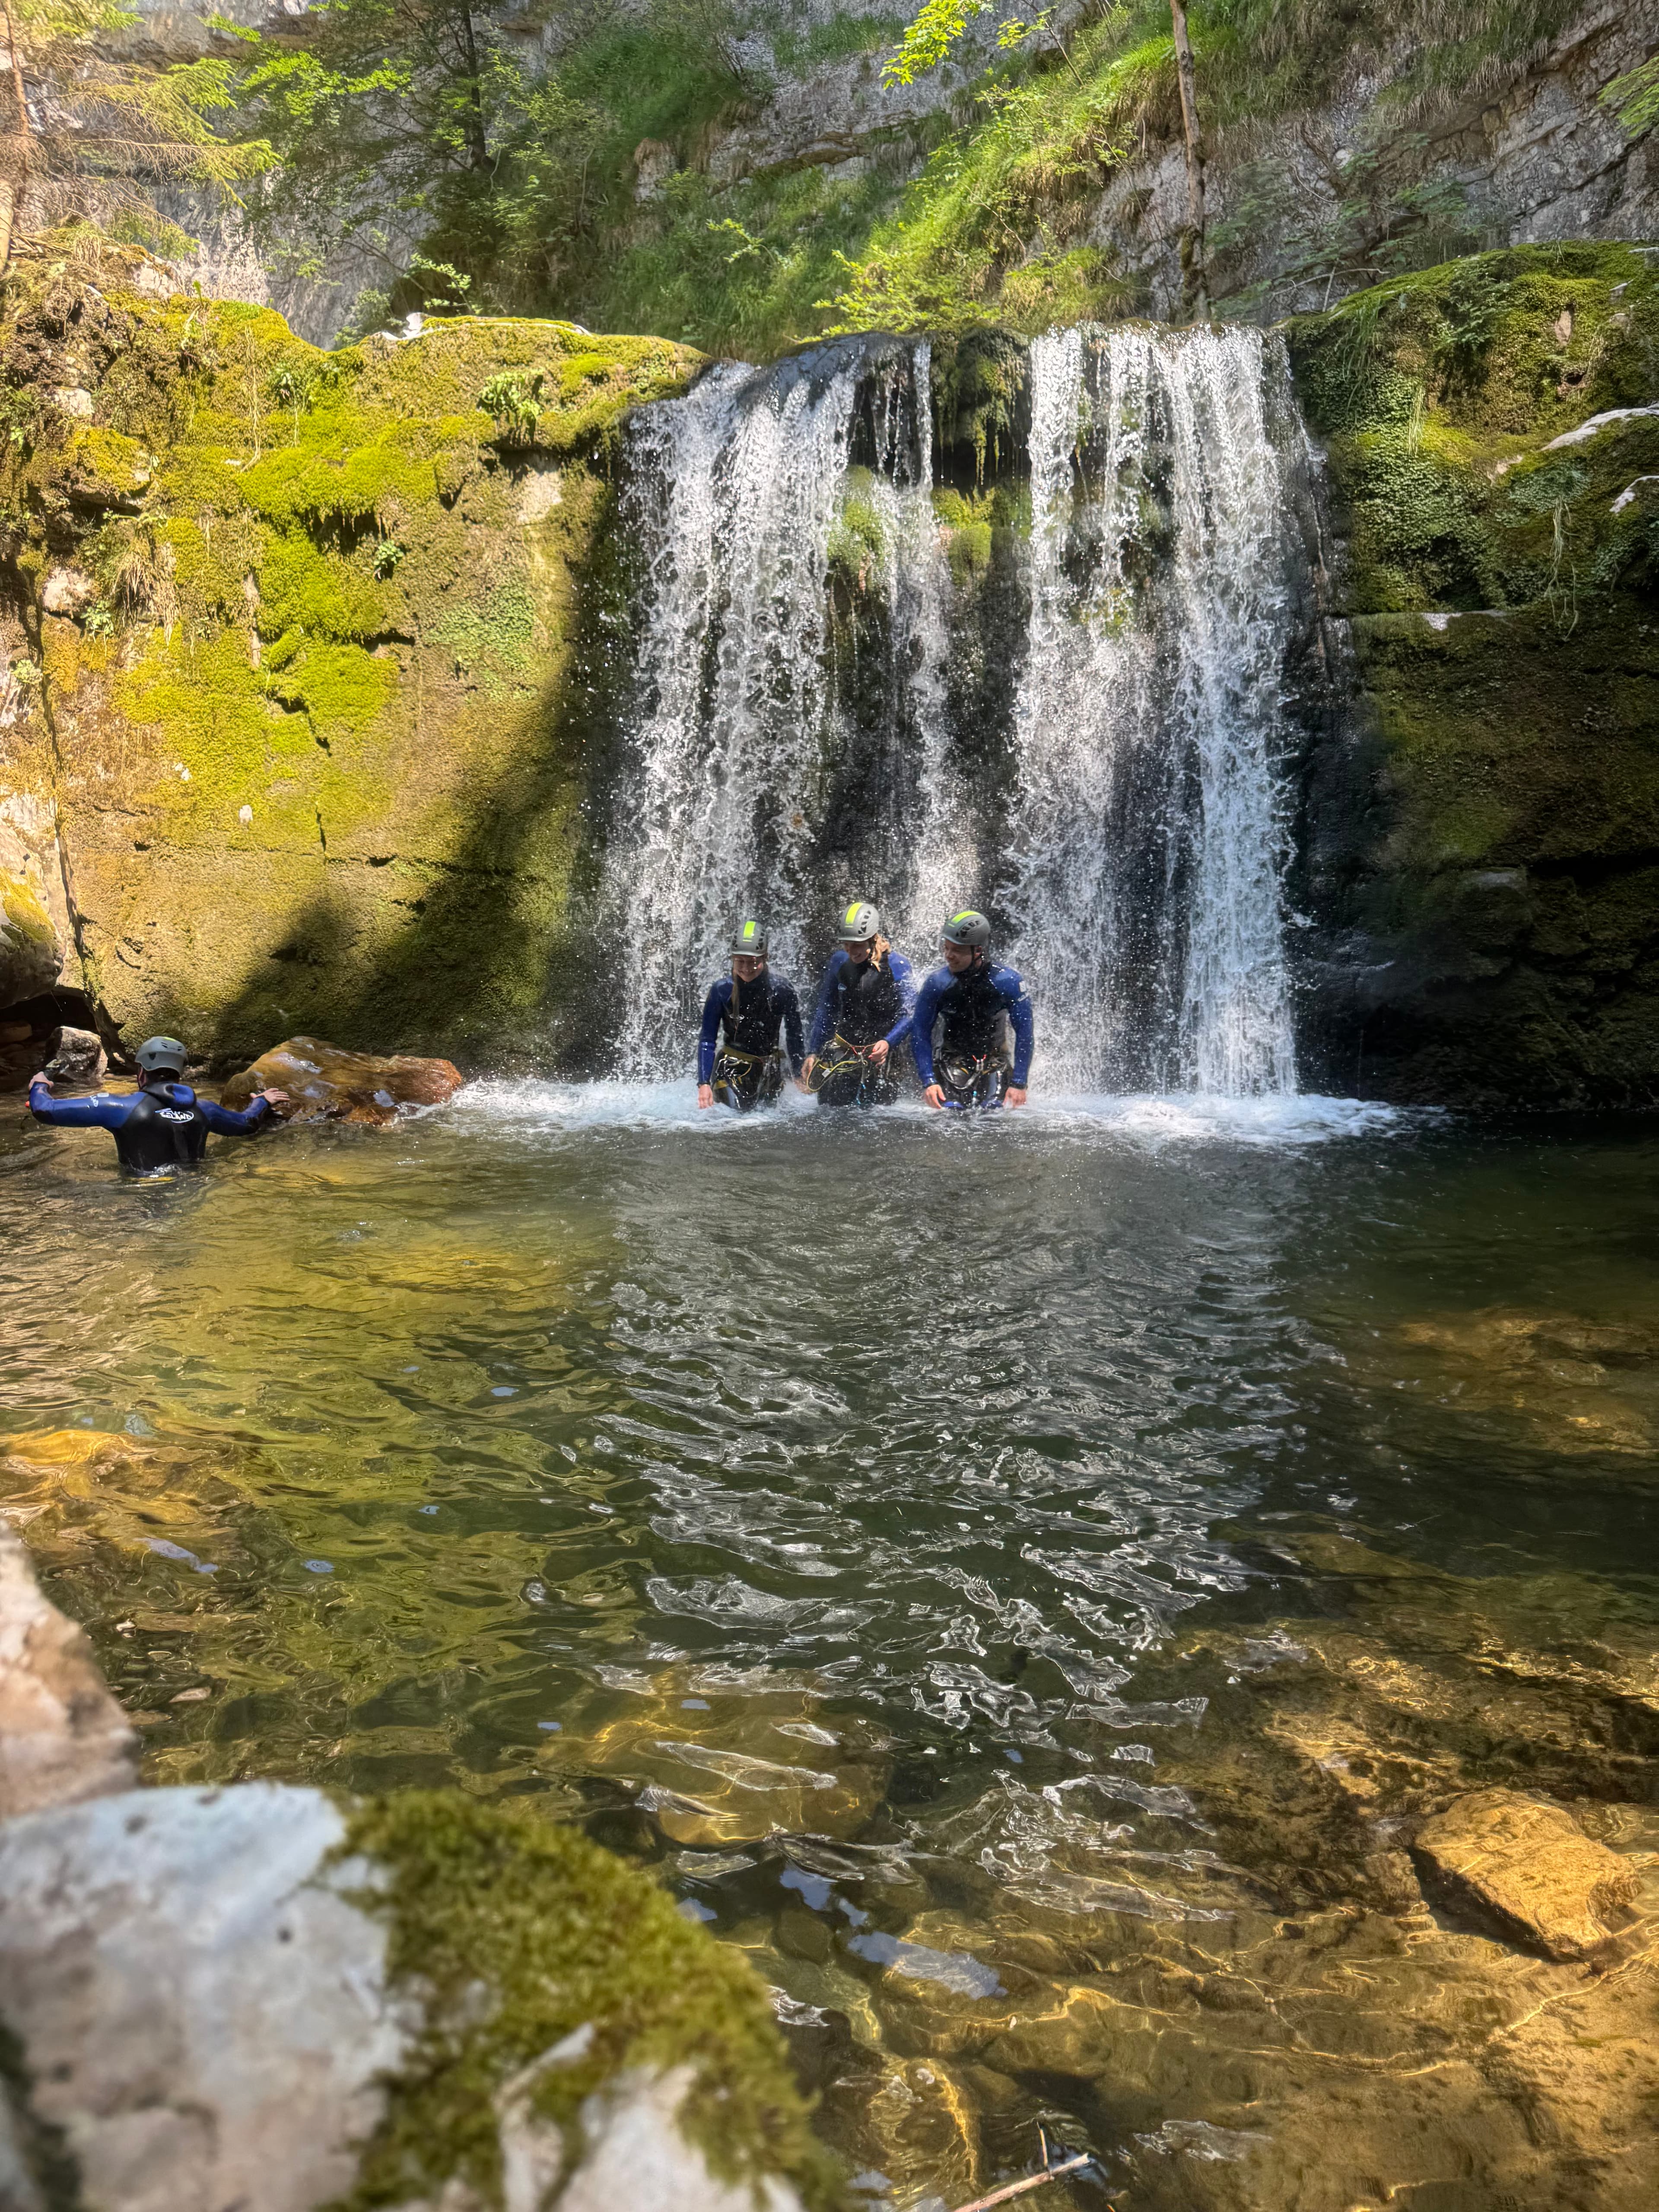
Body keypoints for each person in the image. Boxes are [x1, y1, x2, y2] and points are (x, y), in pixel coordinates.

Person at [28, 1034, 288, 1173]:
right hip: (194, 1192)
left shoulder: (121, 1108)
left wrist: (40, 1084)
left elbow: (44, 1110)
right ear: (179, 1073)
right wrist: (263, 1102)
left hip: (142, 1201)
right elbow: (246, 1124)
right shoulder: (204, 1109)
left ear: (141, 1072)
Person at [910, 910, 1033, 1110]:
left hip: (995, 1062)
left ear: (978, 951)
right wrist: (929, 1081)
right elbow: (920, 1032)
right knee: (951, 1111)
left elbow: (1025, 1033)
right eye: (946, 948)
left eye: (957, 950)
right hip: (951, 1061)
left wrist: (1019, 1083)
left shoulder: (1008, 982)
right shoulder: (937, 983)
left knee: (994, 1111)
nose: (949, 956)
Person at [802, 900, 916, 1107]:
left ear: (873, 939)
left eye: (857, 945)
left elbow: (910, 1013)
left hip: (880, 1057)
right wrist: (814, 1051)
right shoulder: (839, 962)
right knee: (830, 1114)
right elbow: (827, 1010)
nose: (850, 950)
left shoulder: (897, 965)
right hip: (843, 1052)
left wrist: (888, 1042)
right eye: (846, 943)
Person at [696, 920, 805, 1111]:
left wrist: (798, 1073)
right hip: (730, 1069)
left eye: (753, 962)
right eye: (740, 961)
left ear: (766, 957)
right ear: (732, 959)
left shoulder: (782, 990)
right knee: (740, 1120)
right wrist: (704, 1083)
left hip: (769, 1071)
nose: (746, 968)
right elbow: (707, 1039)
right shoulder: (721, 990)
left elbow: (795, 1033)